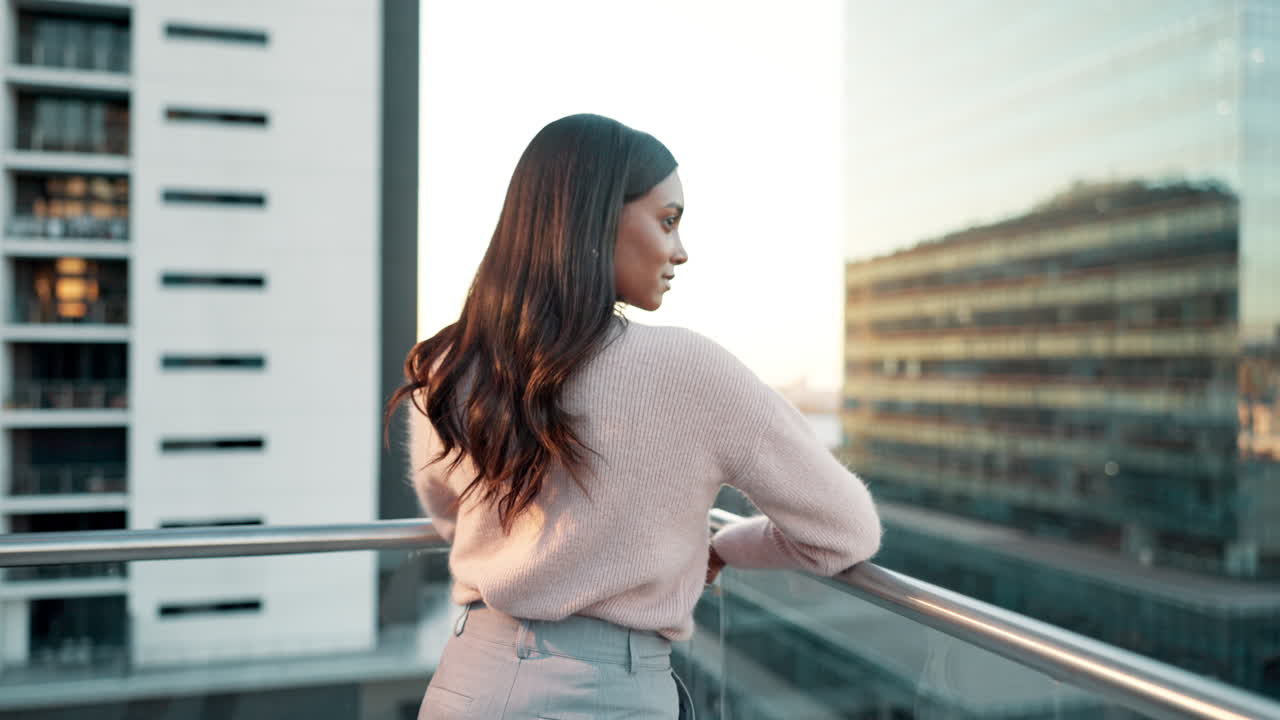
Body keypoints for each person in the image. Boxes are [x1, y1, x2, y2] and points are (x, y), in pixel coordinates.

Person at [384, 113, 882, 719]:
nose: (681, 250)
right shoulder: (689, 368)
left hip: (466, 681)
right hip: (603, 692)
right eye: (667, 220)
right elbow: (845, 530)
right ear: (595, 218)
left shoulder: (452, 365)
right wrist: (723, 547)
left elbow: (451, 518)